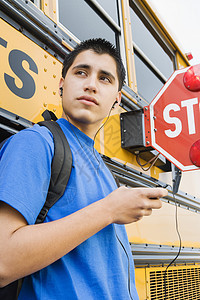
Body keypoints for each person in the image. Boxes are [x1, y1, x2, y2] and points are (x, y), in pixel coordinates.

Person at [0, 38, 167, 299]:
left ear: (117, 100)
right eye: (81, 72)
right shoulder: (37, 144)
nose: (90, 84)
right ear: (61, 84)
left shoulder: (101, 166)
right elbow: (4, 261)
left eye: (105, 79)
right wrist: (110, 209)